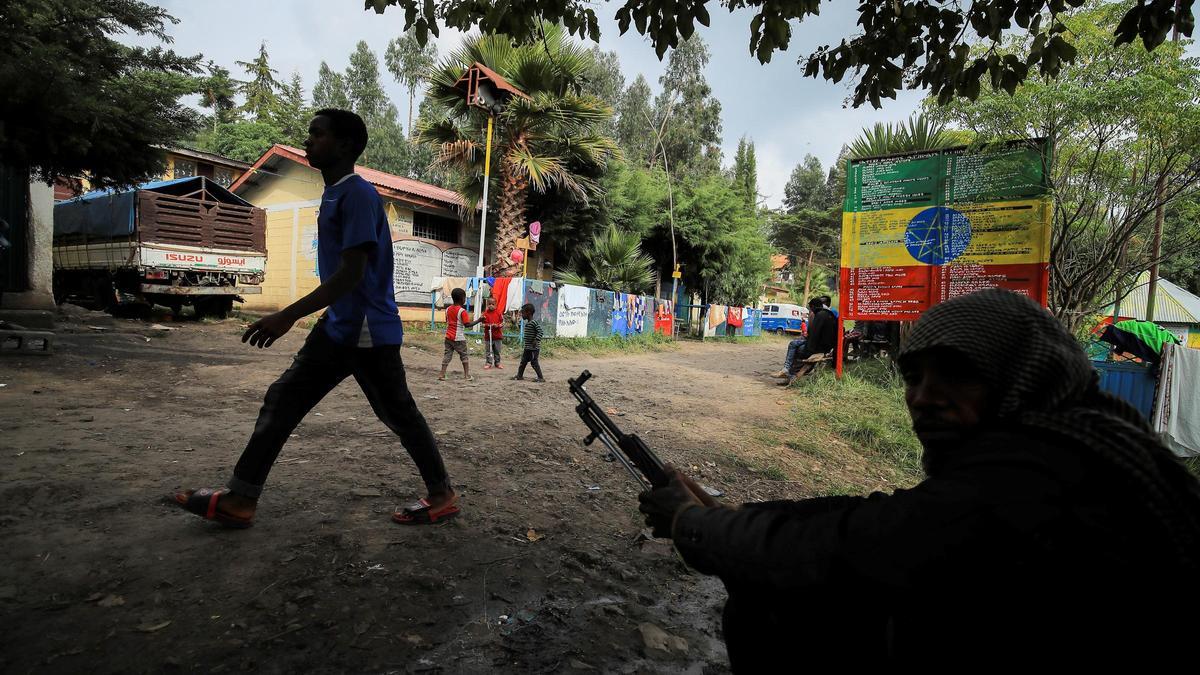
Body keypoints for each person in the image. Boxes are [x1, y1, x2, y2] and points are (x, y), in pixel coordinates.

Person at [640, 289, 1200, 669]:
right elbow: (900, 512)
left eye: (956, 374)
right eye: (914, 375)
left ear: (1020, 374)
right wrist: (750, 516)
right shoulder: (1090, 435)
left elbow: (861, 548)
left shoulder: (1043, 471)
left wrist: (697, 526)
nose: (924, 396)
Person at [174, 109, 459, 528]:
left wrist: (286, 315)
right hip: (340, 324)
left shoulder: (357, 194)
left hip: (365, 330)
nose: (308, 141)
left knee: (398, 413)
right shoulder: (334, 194)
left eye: (317, 134)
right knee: (283, 400)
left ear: (345, 146)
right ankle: (240, 499)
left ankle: (442, 495)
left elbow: (352, 274)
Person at [779, 297, 836, 385]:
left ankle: (789, 373)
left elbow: (814, 334)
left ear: (813, 307)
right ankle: (788, 372)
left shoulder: (820, 315)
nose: (810, 310)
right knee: (794, 345)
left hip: (819, 348)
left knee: (796, 348)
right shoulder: (829, 314)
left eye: (810, 308)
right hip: (826, 346)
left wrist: (809, 349)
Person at [439, 287, 484, 381]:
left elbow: (448, 321)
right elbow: (467, 324)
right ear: (462, 299)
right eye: (464, 298)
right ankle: (467, 375)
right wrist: (479, 320)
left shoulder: (447, 309)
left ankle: (442, 374)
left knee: (447, 355)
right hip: (458, 337)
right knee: (464, 355)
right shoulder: (462, 311)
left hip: (448, 337)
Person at [512, 303, 545, 382]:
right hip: (527, 348)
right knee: (523, 362)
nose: (521, 315)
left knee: (534, 362)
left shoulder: (533, 323)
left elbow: (540, 332)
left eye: (522, 313)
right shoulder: (528, 323)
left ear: (528, 313)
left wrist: (536, 340)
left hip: (533, 348)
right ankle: (519, 376)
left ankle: (541, 378)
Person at [481, 295, 505, 370]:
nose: (491, 305)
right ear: (487, 304)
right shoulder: (485, 314)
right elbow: (482, 324)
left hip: (497, 336)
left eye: (493, 304)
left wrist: (497, 325)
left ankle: (497, 362)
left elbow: (503, 322)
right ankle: (488, 362)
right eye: (489, 304)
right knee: (489, 350)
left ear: (496, 305)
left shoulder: (498, 313)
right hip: (488, 336)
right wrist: (487, 325)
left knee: (497, 350)